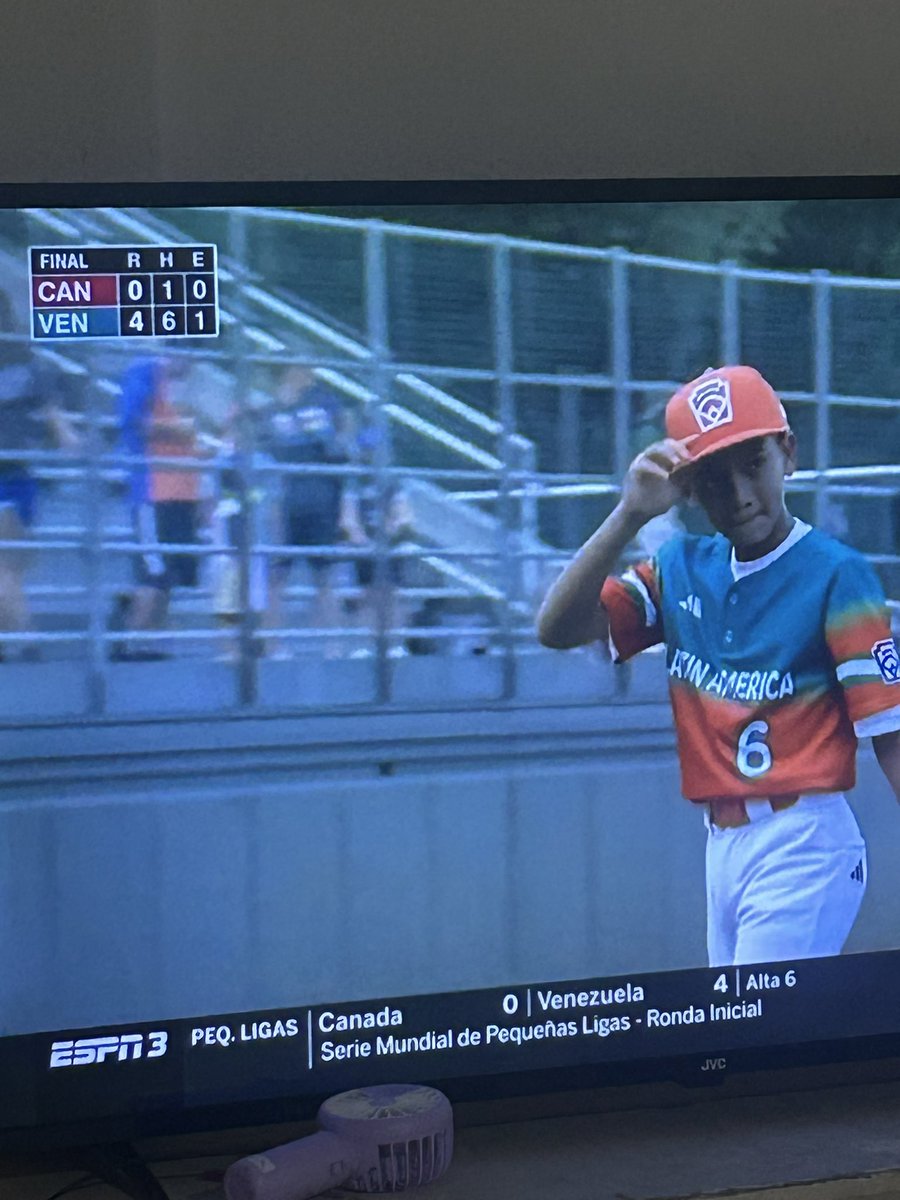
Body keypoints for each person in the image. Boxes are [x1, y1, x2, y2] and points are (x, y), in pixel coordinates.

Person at [538, 364, 900, 968]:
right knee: (737, 1044)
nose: (738, 494)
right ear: (689, 488)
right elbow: (558, 629)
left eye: (752, 463)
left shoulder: (837, 573)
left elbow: (890, 736)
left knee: (757, 1034)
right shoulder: (680, 567)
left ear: (787, 453)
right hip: (722, 845)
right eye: (713, 477)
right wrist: (628, 514)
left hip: (804, 839)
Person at [259, 367, 356, 658]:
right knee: (277, 576)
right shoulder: (270, 410)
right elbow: (262, 448)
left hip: (321, 501)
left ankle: (334, 647)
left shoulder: (325, 404)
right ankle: (273, 646)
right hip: (283, 503)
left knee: (325, 575)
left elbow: (341, 448)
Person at [0, 311, 80, 660]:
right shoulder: (26, 363)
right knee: (9, 566)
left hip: (14, 472)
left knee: (12, 565)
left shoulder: (25, 365)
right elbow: (53, 416)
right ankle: (27, 640)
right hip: (15, 472)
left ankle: (13, 639)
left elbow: (52, 414)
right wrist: (67, 439)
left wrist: (66, 436)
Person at [116, 355, 203, 659]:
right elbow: (134, 422)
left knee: (171, 575)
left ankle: (150, 643)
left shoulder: (190, 384)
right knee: (154, 573)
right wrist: (183, 429)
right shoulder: (144, 373)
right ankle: (131, 642)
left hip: (182, 493)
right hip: (153, 490)